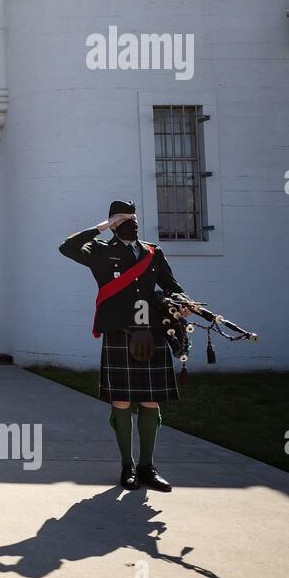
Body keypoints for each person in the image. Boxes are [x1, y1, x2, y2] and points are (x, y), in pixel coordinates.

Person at [59, 201, 187, 492]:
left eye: (134, 216)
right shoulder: (101, 251)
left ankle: (147, 467)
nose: (132, 222)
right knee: (122, 401)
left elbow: (173, 286)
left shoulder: (153, 252)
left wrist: (182, 302)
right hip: (120, 333)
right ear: (114, 222)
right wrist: (102, 227)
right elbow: (66, 247)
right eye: (124, 218)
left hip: (152, 333)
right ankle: (127, 467)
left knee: (151, 401)